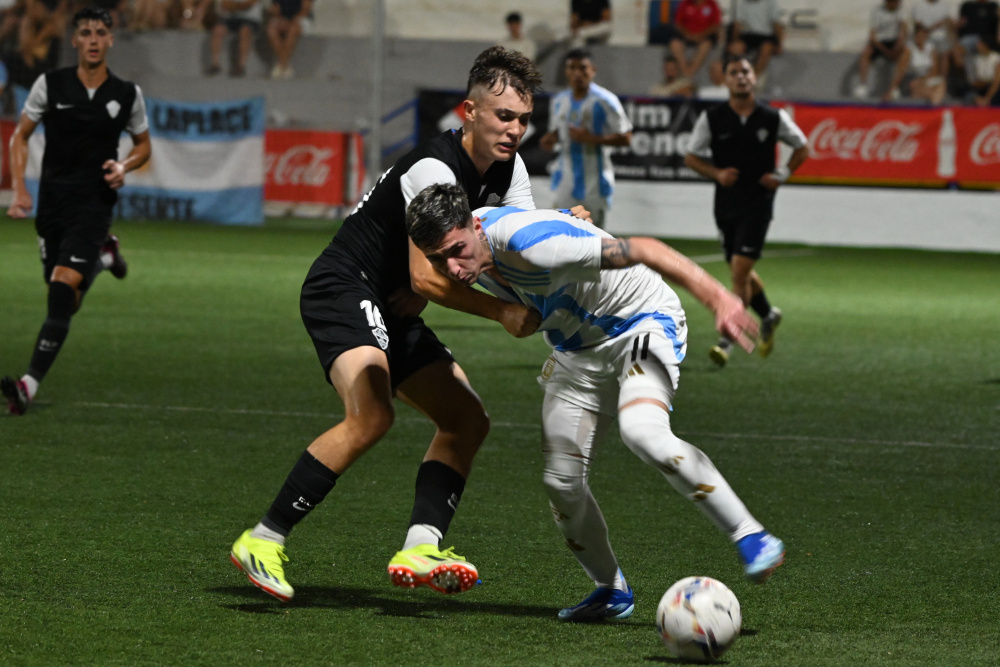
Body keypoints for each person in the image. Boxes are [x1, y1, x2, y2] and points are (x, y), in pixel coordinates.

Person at [228, 47, 557, 603]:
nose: (515, 130)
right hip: (344, 286)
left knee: (466, 420)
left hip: (391, 305)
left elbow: (513, 248)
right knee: (373, 414)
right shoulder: (433, 169)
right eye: (504, 116)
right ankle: (263, 538)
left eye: (524, 119)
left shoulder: (511, 170)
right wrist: (501, 311)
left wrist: (566, 227)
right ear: (470, 111)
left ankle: (421, 547)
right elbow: (426, 278)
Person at [406, 183, 786, 622]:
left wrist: (719, 298)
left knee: (644, 433)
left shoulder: (536, 246)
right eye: (439, 259)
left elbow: (645, 248)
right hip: (576, 349)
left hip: (640, 322)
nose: (452, 268)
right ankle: (611, 589)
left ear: (475, 225)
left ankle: (751, 535)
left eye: (457, 251)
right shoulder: (474, 246)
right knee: (561, 482)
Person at [1, 6, 151, 415]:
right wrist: (20, 190)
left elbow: (143, 146)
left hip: (94, 204)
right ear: (74, 40)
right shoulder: (51, 84)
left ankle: (28, 385)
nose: (93, 40)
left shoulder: (126, 94)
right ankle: (105, 258)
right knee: (66, 300)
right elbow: (20, 136)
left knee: (62, 289)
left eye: (100, 32)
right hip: (52, 205)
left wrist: (124, 166)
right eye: (85, 32)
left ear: (111, 40)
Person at [684, 54, 809, 368]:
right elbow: (691, 157)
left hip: (758, 203)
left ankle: (727, 338)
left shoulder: (773, 117)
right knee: (741, 271)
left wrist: (781, 174)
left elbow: (802, 147)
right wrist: (716, 173)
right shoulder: (712, 118)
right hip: (726, 204)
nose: (740, 76)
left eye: (746, 71)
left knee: (739, 272)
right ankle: (768, 314)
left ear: (754, 78)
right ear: (725, 80)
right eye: (734, 72)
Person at [539, 48, 632, 229]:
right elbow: (557, 131)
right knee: (561, 233)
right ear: (566, 72)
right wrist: (551, 139)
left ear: (593, 70)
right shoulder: (559, 101)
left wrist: (593, 139)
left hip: (595, 182)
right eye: (572, 68)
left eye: (582, 68)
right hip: (565, 180)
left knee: (594, 237)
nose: (577, 73)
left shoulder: (605, 100)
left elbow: (626, 137)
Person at [853, 0, 908, 100]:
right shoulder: (877, 11)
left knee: (905, 53)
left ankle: (895, 87)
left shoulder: (901, 11)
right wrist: (886, 51)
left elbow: (903, 31)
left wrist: (898, 46)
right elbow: (872, 36)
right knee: (866, 52)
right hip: (880, 42)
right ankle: (863, 85)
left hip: (893, 41)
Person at [729, 0, 784, 86]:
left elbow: (776, 24)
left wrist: (780, 44)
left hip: (766, 35)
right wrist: (734, 41)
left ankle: (753, 78)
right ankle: (736, 76)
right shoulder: (742, 3)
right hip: (749, 34)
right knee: (735, 49)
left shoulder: (771, 2)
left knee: (766, 48)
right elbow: (737, 25)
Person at [889, 24, 947, 104]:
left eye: (923, 35)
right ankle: (933, 102)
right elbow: (901, 70)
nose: (921, 38)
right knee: (919, 86)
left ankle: (934, 102)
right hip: (910, 79)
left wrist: (924, 79)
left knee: (941, 84)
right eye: (919, 35)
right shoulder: (909, 49)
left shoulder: (931, 49)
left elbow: (934, 70)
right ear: (915, 36)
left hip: (925, 78)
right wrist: (892, 88)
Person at [670, 0, 723, 80]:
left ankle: (690, 73)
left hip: (704, 37)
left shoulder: (712, 4)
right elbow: (678, 23)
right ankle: (685, 70)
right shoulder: (685, 3)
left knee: (705, 45)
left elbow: (716, 24)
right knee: (675, 44)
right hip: (687, 36)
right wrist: (687, 34)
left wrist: (701, 35)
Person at [207, 0, 262, 76]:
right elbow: (224, 5)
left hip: (251, 19)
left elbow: (249, 4)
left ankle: (241, 65)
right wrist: (239, 6)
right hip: (230, 18)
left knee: (245, 30)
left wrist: (233, 6)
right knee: (218, 29)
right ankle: (215, 63)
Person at [953, 0, 1000, 85]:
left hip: (987, 37)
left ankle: (984, 80)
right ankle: (968, 81)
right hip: (969, 38)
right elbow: (960, 24)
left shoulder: (993, 6)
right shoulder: (967, 6)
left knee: (979, 45)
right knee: (958, 51)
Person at [265, 0, 311, 79]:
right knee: (271, 30)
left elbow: (305, 10)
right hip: (283, 18)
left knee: (292, 30)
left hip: (302, 18)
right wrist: (282, 19)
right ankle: (285, 65)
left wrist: (291, 21)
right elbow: (275, 9)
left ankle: (282, 65)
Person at [910, 0, 955, 80]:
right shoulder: (919, 5)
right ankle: (931, 78)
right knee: (933, 53)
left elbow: (948, 21)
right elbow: (918, 24)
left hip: (942, 36)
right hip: (927, 36)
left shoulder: (944, 5)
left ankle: (942, 80)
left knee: (945, 53)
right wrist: (930, 29)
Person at [963, 35, 1000, 105]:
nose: (977, 46)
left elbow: (996, 82)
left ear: (986, 45)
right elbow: (973, 80)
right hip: (980, 87)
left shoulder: (996, 58)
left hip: (994, 88)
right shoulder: (976, 59)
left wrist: (987, 98)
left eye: (980, 44)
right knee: (967, 93)